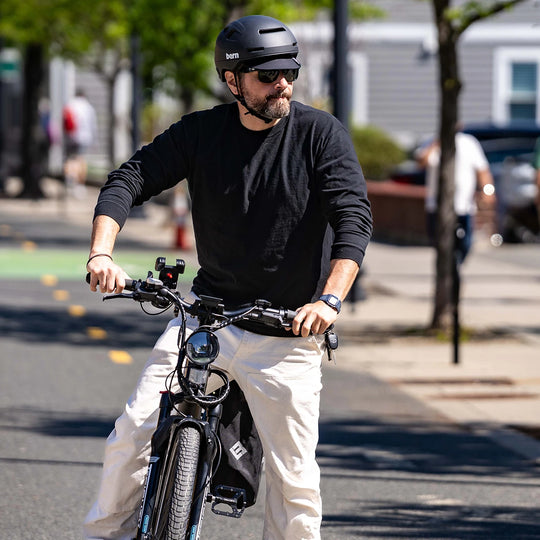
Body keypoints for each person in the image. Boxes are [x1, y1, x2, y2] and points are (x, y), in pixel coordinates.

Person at [84, 14, 372, 540]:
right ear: (232, 79)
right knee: (130, 433)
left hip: (287, 332)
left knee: (296, 483)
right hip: (207, 319)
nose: (282, 83)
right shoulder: (201, 133)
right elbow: (127, 181)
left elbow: (353, 219)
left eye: (290, 72)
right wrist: (101, 255)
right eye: (268, 75)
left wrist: (328, 302)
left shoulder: (320, 135)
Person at [415, 128, 495, 261]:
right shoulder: (433, 143)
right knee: (440, 243)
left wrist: (488, 192)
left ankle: (455, 270)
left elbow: (482, 171)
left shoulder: (469, 143)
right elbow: (421, 162)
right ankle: (447, 273)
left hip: (463, 204)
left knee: (465, 243)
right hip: (437, 205)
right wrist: (437, 143)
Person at [63, 88, 97, 197]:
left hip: (71, 136)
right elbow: (93, 125)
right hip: (85, 137)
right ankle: (79, 184)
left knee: (70, 159)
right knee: (80, 159)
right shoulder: (88, 107)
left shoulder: (70, 104)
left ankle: (70, 178)